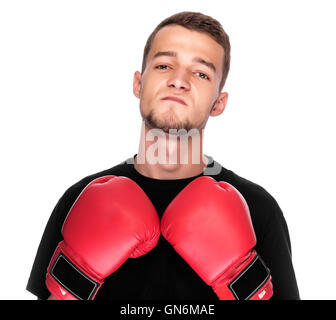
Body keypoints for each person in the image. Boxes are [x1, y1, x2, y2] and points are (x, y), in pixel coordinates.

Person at [26, 11, 300, 300]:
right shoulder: (79, 198)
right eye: (164, 65)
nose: (179, 80)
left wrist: (239, 280)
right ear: (138, 84)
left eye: (201, 73)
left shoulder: (257, 208)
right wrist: (76, 281)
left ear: (218, 103)